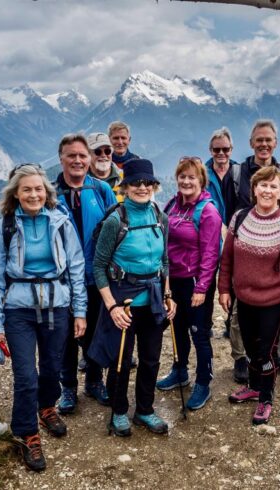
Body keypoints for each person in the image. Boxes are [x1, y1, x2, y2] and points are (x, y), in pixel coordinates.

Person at [0, 163, 87, 471]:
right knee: (26, 375)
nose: (33, 194)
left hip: (57, 306)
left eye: (38, 188)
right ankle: (27, 433)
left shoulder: (60, 223)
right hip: (19, 310)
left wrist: (79, 311)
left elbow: (76, 269)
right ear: (15, 193)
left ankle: (46, 407)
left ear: (47, 192)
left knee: (53, 368)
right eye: (26, 189)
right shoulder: (2, 228)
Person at [88, 159, 177, 437]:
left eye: (147, 183)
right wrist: (111, 306)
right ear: (125, 187)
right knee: (121, 361)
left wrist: (168, 295)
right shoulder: (116, 219)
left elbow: (163, 261)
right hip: (123, 303)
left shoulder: (159, 217)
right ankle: (118, 411)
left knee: (151, 359)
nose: (142, 187)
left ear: (154, 186)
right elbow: (99, 266)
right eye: (136, 183)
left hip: (152, 302)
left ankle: (145, 410)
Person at [219, 165, 280, 425]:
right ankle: (254, 386)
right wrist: (224, 288)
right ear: (254, 188)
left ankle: (265, 397)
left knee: (266, 353)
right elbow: (228, 258)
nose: (267, 190)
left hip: (273, 303)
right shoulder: (240, 218)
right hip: (243, 300)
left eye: (273, 186)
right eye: (263, 185)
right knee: (250, 347)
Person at [221, 119, 280, 381]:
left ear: (275, 144)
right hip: (244, 255)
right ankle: (241, 358)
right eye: (259, 140)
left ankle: (279, 353)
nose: (264, 144)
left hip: (276, 253)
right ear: (251, 143)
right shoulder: (238, 173)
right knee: (241, 311)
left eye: (268, 140)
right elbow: (229, 211)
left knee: (277, 308)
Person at [54, 134, 117, 413]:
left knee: (94, 331)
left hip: (95, 276)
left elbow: (117, 227)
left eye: (82, 155)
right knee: (66, 336)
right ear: (62, 159)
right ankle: (67, 388)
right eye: (72, 155)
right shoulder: (51, 194)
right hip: (63, 279)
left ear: (89, 159)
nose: (78, 160)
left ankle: (94, 380)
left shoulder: (101, 190)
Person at [156, 157, 222, 411]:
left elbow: (210, 254)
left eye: (191, 177)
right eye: (182, 176)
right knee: (177, 328)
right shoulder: (173, 204)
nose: (185, 181)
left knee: (199, 334)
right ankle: (180, 370)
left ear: (201, 181)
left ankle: (203, 382)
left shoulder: (208, 211)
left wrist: (202, 288)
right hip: (174, 281)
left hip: (195, 281)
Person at [204, 127, 238, 221]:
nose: (221, 153)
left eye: (225, 149)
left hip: (237, 231)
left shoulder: (240, 173)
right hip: (212, 229)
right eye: (216, 150)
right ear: (211, 150)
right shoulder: (202, 175)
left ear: (231, 150)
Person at [87, 132, 123, 202]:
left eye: (107, 151)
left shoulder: (125, 178)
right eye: (98, 151)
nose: (103, 155)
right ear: (88, 154)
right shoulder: (79, 180)